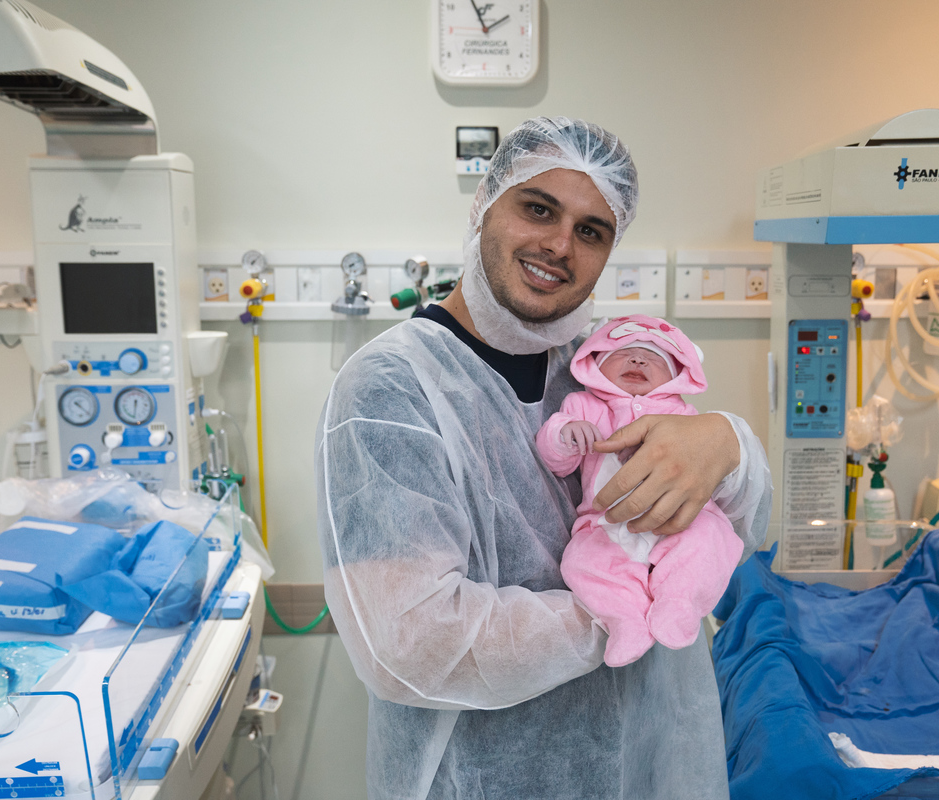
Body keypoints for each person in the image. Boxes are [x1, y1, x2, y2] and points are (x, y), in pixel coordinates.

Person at [316, 116, 771, 800]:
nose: (560, 245)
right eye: (538, 209)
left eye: (591, 231)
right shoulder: (390, 391)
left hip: (643, 765)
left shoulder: (610, 370)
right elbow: (410, 643)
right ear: (484, 203)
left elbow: (743, 524)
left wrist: (730, 445)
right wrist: (628, 606)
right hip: (481, 778)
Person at [536, 315, 744, 668]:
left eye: (654, 358)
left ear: (675, 376)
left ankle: (679, 604)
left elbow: (701, 462)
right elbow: (557, 463)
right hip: (607, 524)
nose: (637, 359)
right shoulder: (583, 407)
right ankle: (625, 621)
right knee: (583, 563)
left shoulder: (682, 413)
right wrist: (565, 435)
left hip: (680, 517)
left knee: (710, 542)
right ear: (596, 366)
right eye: (623, 353)